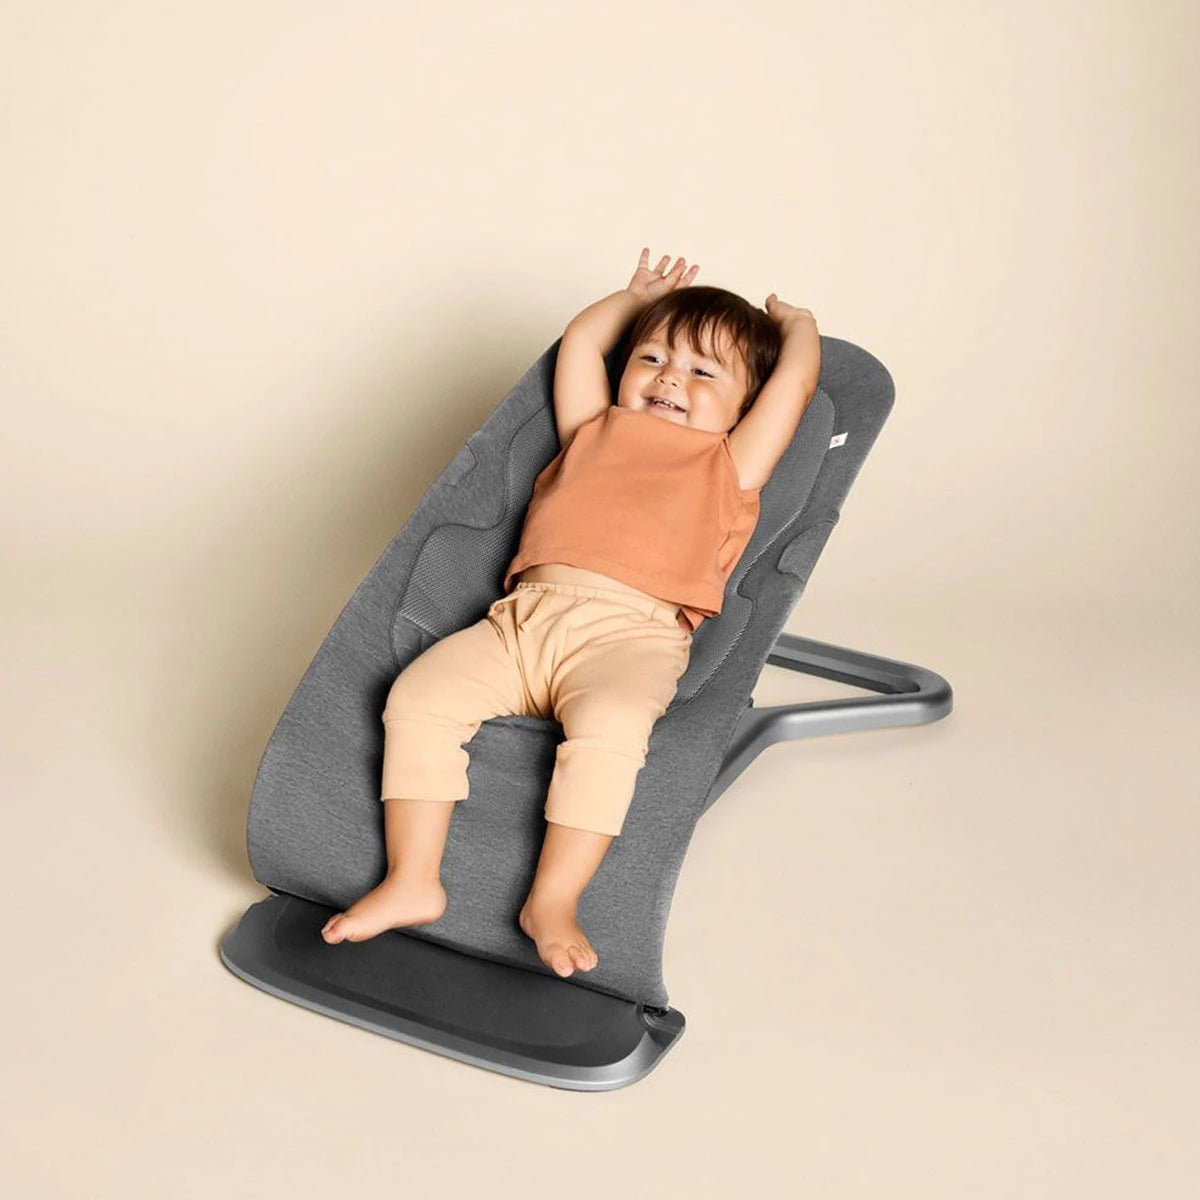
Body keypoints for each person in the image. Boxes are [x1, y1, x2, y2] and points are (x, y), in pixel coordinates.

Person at [322, 248, 822, 978]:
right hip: (522, 620)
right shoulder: (593, 428)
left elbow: (796, 384)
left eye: (702, 373)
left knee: (611, 730)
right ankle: (412, 879)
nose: (669, 378)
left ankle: (552, 900)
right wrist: (633, 299)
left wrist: (798, 327)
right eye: (652, 358)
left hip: (633, 638)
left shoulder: (729, 464)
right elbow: (583, 342)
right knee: (419, 697)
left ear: (743, 408)